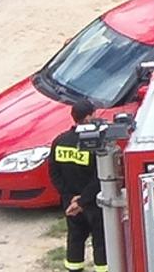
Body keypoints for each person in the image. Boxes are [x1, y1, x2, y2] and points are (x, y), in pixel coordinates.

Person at [48, 101, 104, 272]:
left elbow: (54, 173)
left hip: (70, 203)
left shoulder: (60, 141)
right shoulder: (95, 144)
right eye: (94, 114)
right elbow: (99, 177)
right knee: (100, 242)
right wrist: (83, 201)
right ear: (88, 117)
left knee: (75, 239)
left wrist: (69, 197)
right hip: (93, 203)